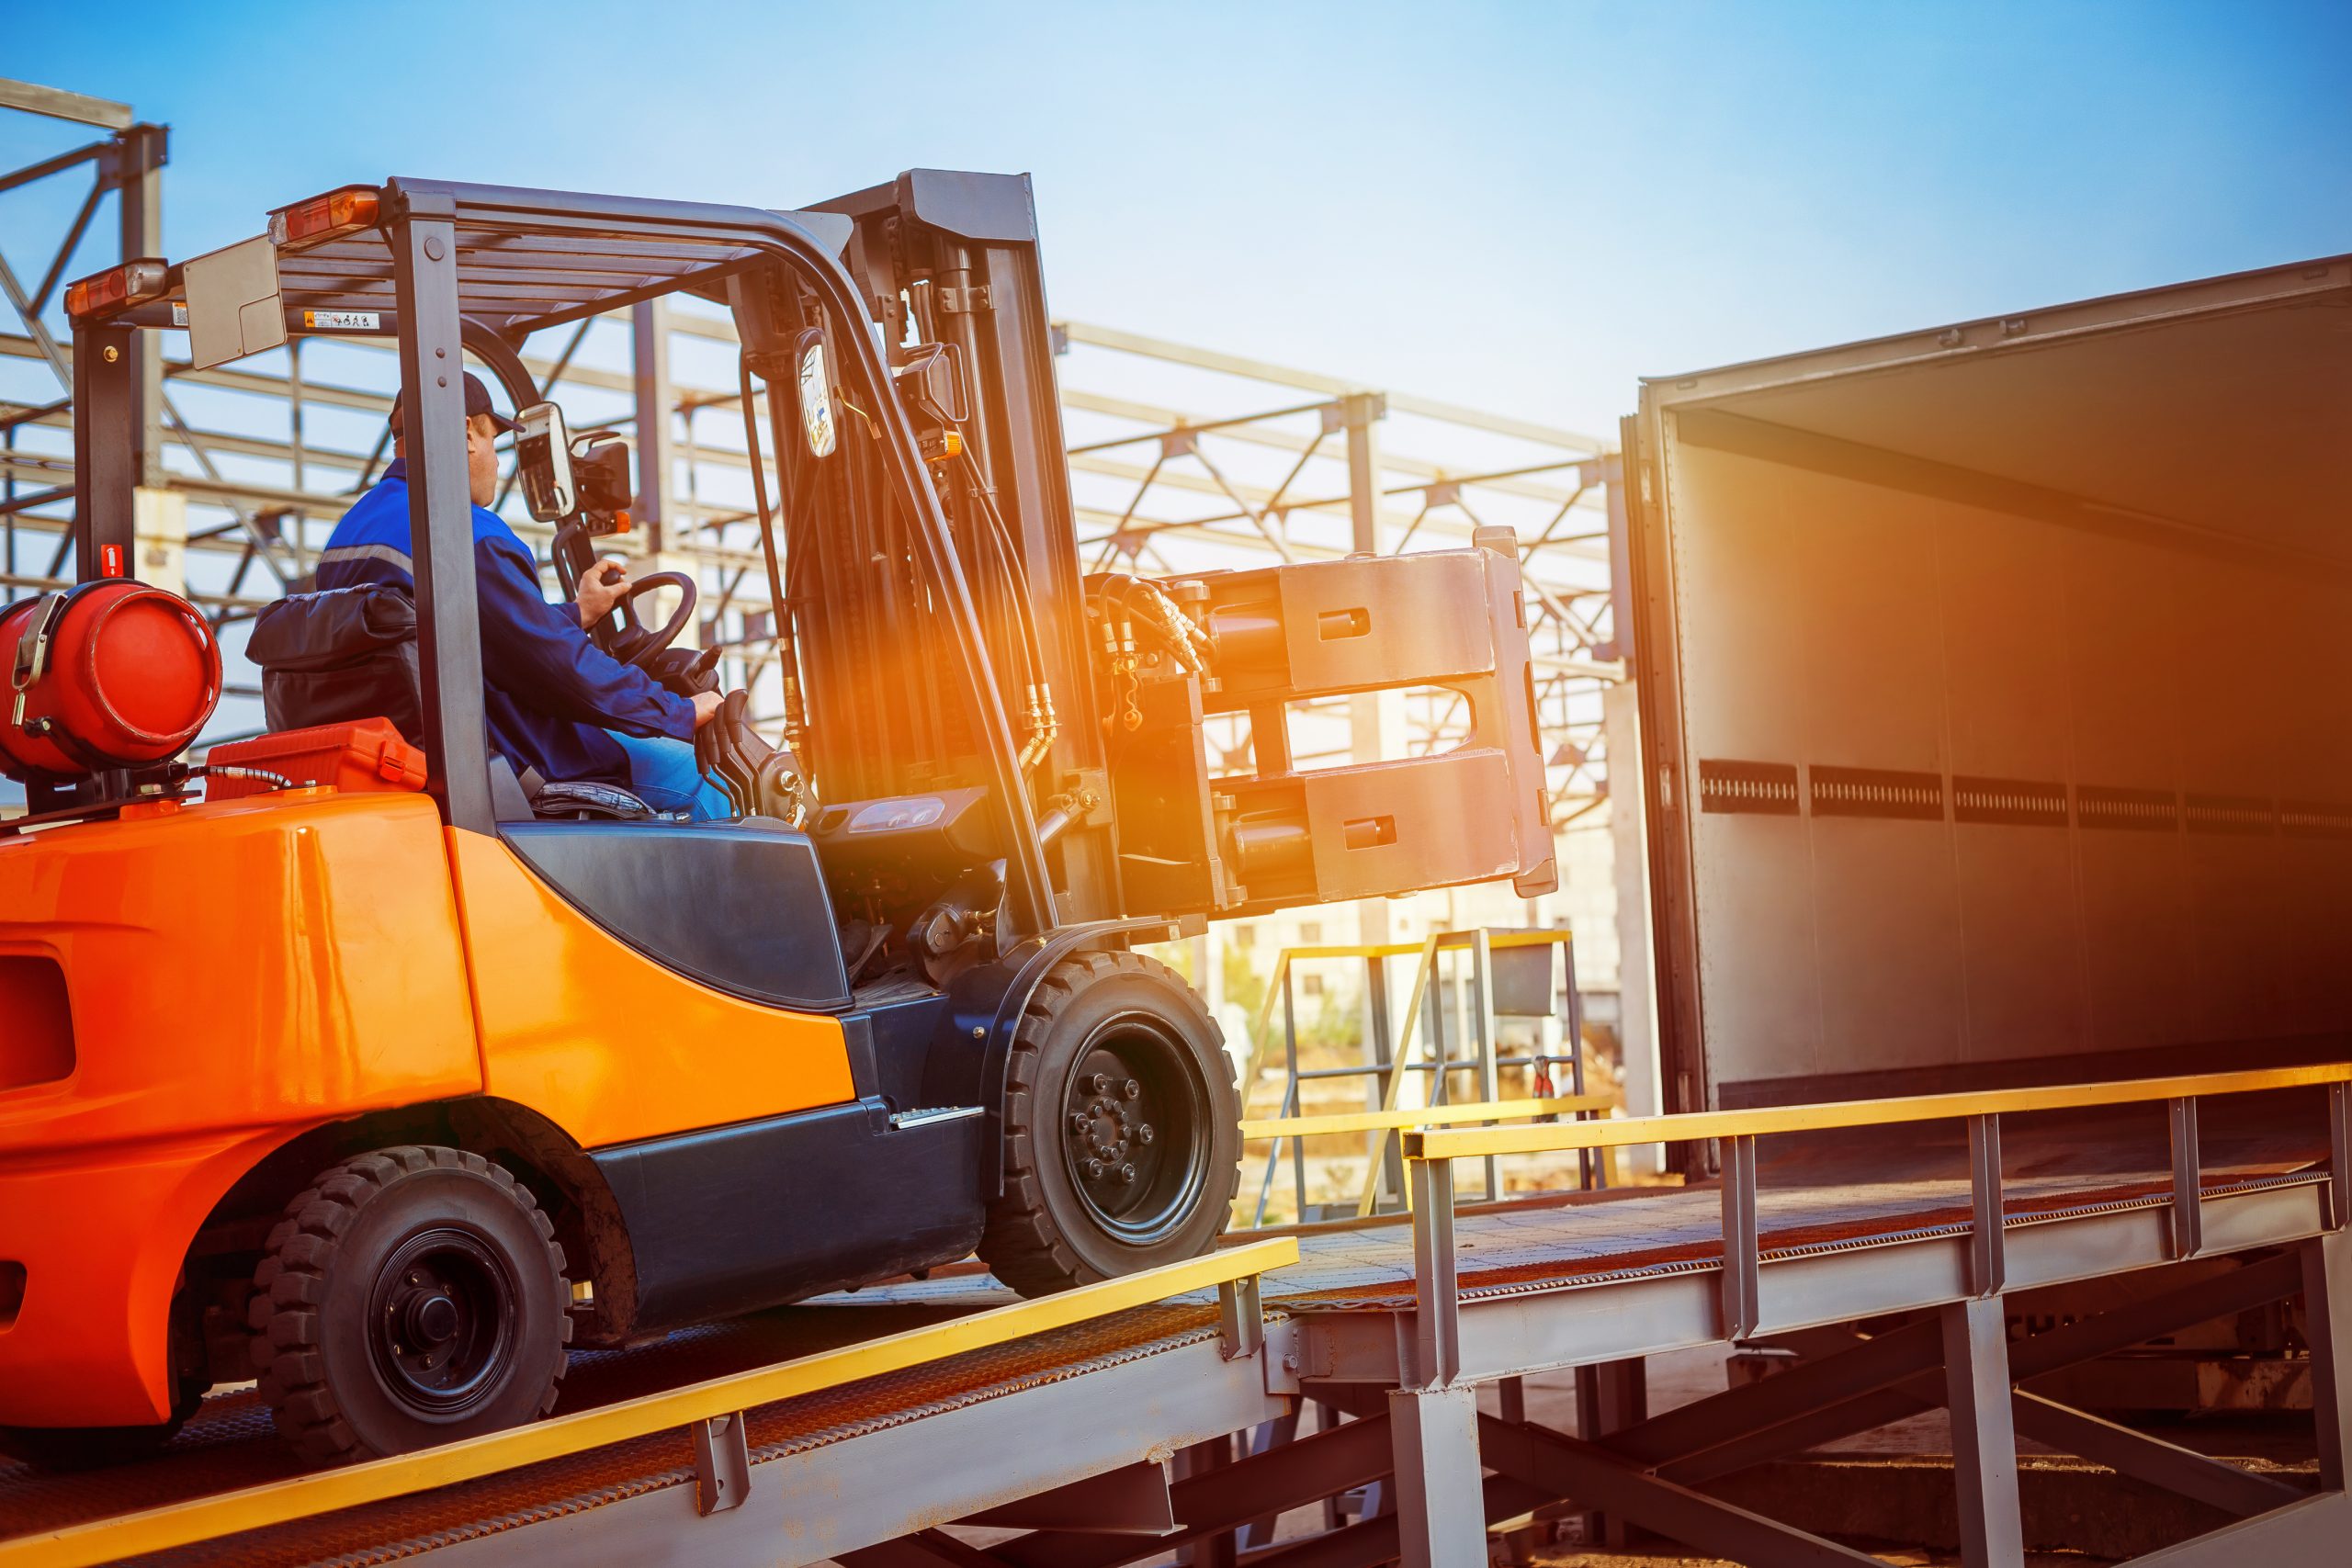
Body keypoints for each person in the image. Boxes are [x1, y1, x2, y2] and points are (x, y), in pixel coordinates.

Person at [316, 372, 730, 820]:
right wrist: (677, 712)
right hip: (512, 759)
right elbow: (562, 669)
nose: (497, 462)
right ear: (466, 433)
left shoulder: (348, 535)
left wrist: (577, 613)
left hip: (409, 762)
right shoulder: (467, 533)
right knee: (703, 777)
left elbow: (469, 633)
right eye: (495, 441)